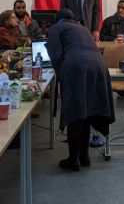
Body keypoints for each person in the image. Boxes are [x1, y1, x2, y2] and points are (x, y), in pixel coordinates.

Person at [46, 9, 114, 172]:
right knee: (88, 110)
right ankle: (84, 157)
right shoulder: (83, 29)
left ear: (58, 19)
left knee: (76, 111)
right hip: (99, 65)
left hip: (76, 66)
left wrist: (62, 78)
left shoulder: (56, 28)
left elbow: (54, 54)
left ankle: (73, 159)